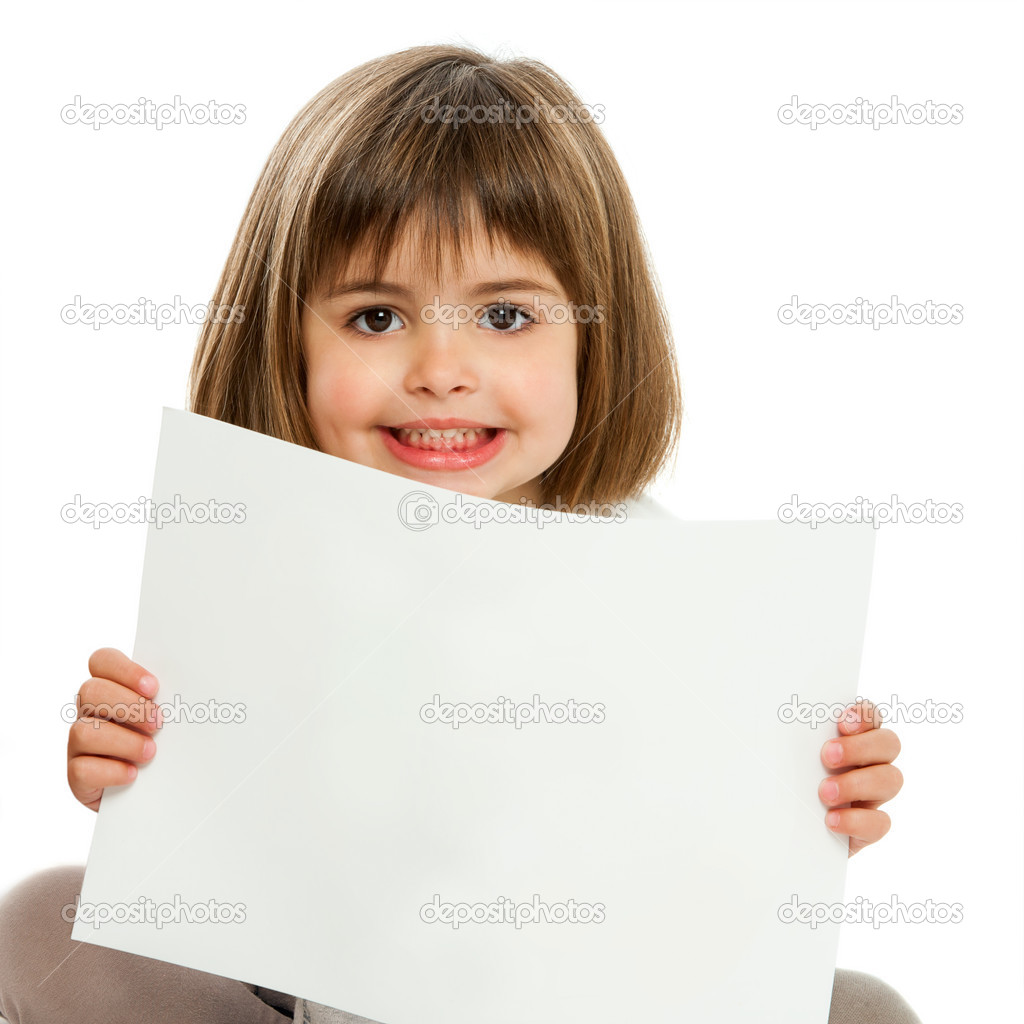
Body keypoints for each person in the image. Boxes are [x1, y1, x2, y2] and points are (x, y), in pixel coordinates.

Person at [0, 43, 919, 1024]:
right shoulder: (252, 576)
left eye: (507, 314)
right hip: (332, 980)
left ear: (592, 342)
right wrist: (137, 780)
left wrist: (800, 813)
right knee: (44, 916)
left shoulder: (669, 585)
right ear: (286, 342)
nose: (442, 367)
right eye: (377, 317)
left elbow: (701, 878)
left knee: (861, 1006)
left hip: (592, 988)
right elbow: (235, 864)